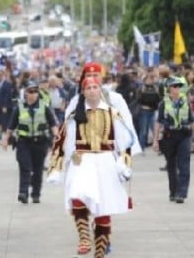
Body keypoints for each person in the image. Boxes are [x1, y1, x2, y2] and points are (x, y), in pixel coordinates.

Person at [48, 75, 137, 258]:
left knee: (103, 209)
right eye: (88, 88)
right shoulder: (75, 115)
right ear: (83, 92)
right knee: (77, 195)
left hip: (105, 162)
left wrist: (124, 163)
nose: (92, 91)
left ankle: (100, 252)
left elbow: (125, 141)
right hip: (83, 160)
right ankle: (84, 237)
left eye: (95, 87)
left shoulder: (112, 113)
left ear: (100, 90)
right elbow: (61, 141)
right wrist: (56, 167)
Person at [1, 81, 58, 204]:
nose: (33, 94)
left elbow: (53, 125)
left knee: (37, 170)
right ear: (26, 93)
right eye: (30, 92)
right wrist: (5, 139)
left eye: (35, 92)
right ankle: (23, 192)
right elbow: (11, 126)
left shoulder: (44, 107)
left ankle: (36, 194)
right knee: (25, 167)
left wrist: (58, 139)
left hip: (40, 142)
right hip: (23, 142)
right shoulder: (19, 108)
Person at [152, 77, 194, 203]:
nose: (177, 89)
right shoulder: (163, 103)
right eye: (174, 86)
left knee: (184, 164)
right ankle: (173, 192)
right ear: (169, 88)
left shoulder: (185, 102)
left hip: (184, 135)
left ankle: (181, 193)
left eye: (179, 86)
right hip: (169, 136)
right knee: (171, 165)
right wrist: (155, 140)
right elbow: (158, 122)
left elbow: (192, 121)